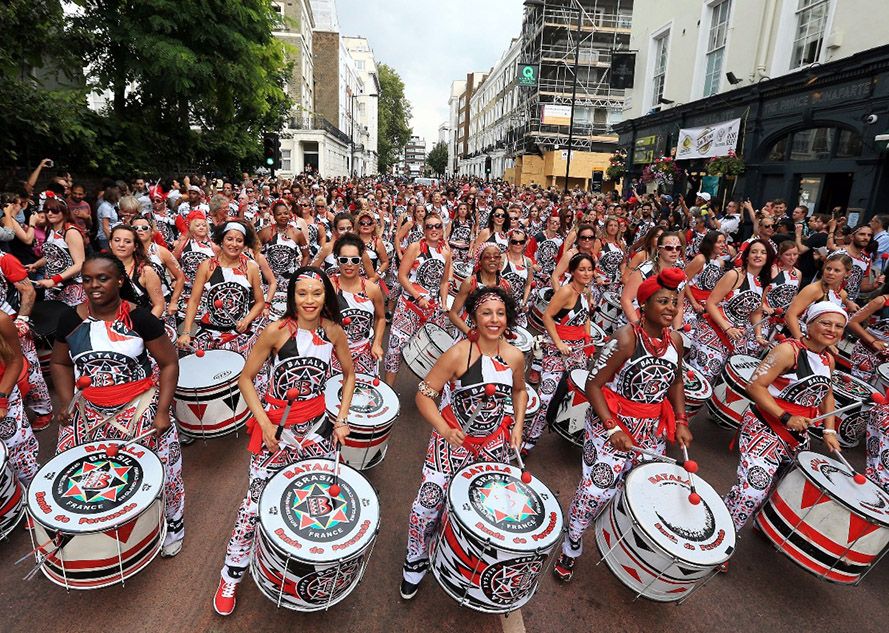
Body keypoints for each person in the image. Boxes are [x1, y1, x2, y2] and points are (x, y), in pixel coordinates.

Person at [213, 267, 354, 616]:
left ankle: (308, 566)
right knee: (252, 507)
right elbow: (246, 379)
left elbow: (350, 374)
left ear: (326, 297)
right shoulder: (275, 331)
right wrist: (264, 423)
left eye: (316, 294)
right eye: (302, 293)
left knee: (319, 500)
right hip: (276, 429)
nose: (309, 301)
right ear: (292, 296)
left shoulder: (333, 331)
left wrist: (342, 419)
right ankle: (231, 574)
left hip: (318, 428)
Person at [553, 268, 693, 581]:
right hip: (610, 426)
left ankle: (618, 540)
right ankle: (572, 543)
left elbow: (676, 381)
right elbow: (592, 384)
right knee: (596, 489)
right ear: (644, 305)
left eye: (674, 302)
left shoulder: (677, 342)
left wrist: (681, 420)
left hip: (650, 429)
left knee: (639, 489)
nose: (670, 307)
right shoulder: (625, 339)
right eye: (663, 301)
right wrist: (612, 428)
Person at [50, 252, 184, 556]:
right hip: (89, 408)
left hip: (138, 406)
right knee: (84, 472)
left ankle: (174, 523)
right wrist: (65, 401)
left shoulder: (139, 318)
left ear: (120, 281)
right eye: (87, 279)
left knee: (162, 468)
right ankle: (96, 532)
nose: (94, 285)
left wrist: (162, 411)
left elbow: (168, 364)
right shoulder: (70, 318)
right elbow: (59, 362)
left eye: (103, 278)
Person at [400, 286, 527, 599]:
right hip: (452, 440)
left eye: (500, 313)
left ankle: (460, 553)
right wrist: (444, 429)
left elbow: (520, 391)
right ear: (474, 317)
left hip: (493, 444)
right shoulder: (457, 354)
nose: (494, 319)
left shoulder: (514, 356)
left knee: (484, 507)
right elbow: (424, 395)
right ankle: (415, 558)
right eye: (486, 313)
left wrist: (518, 426)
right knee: (428, 503)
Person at [723, 302, 844, 533]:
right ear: (809, 324)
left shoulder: (828, 359)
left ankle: (761, 523)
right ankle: (724, 537)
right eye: (825, 323)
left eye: (838, 326)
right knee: (752, 490)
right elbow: (755, 386)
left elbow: (827, 394)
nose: (832, 330)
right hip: (765, 426)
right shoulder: (788, 350)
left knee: (786, 486)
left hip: (797, 433)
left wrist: (829, 430)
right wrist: (785, 416)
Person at [522, 253, 594, 454]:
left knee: (575, 394)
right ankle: (527, 441)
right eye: (582, 269)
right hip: (556, 350)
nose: (586, 273)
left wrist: (588, 340)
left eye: (589, 269)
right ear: (572, 271)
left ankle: (566, 428)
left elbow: (585, 317)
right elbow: (547, 317)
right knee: (546, 397)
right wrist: (559, 343)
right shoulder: (565, 292)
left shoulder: (586, 292)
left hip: (577, 351)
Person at [689, 239, 772, 384]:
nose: (758, 255)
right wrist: (727, 328)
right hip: (712, 333)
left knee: (720, 382)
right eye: (754, 252)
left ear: (768, 257)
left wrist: (758, 335)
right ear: (747, 256)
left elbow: (756, 311)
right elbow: (711, 304)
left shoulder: (763, 282)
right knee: (701, 380)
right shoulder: (734, 275)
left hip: (735, 337)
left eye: (763, 252)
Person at [177, 221, 265, 356]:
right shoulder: (206, 266)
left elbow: (260, 302)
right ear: (221, 240)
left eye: (239, 240)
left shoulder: (251, 267)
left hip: (239, 335)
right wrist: (187, 332)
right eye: (229, 239)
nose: (234, 244)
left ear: (244, 244)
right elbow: (194, 301)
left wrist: (246, 320)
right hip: (209, 333)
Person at [384, 212, 452, 386]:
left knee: (433, 351)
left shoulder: (446, 250)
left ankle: (428, 391)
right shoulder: (416, 247)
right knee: (395, 349)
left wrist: (444, 304)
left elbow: (444, 281)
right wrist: (417, 296)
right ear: (424, 229)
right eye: (430, 226)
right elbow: (402, 275)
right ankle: (388, 389)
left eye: (438, 226)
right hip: (408, 307)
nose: (434, 229)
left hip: (433, 309)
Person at [329, 234, 386, 375]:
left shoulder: (372, 289)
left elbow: (380, 318)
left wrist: (377, 343)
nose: (349, 264)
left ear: (360, 261)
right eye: (344, 259)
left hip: (364, 353)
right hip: (333, 353)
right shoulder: (327, 287)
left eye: (354, 260)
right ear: (337, 260)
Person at [0, 311, 40, 492]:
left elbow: (15, 360)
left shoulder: (1, 319)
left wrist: (2, 400)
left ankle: (36, 503)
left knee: (22, 464)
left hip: (4, 394)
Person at [784, 252, 855, 339]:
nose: (831, 273)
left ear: (847, 273)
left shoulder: (842, 294)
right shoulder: (813, 289)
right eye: (828, 269)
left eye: (837, 270)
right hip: (795, 337)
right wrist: (800, 341)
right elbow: (790, 315)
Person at [33, 197, 86, 306]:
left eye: (55, 210)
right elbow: (52, 255)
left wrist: (54, 280)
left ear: (64, 211)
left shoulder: (71, 232)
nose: (50, 214)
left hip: (71, 286)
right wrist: (36, 265)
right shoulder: (50, 230)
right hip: (52, 286)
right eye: (47, 211)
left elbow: (80, 264)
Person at [109, 225, 166, 319]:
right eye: (117, 240)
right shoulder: (101, 268)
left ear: (135, 246)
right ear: (110, 243)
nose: (121, 244)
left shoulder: (145, 271)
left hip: (138, 326)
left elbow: (159, 305)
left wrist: (146, 325)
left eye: (127, 241)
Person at [258, 201, 308, 297]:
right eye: (279, 214)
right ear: (274, 215)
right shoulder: (265, 232)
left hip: (290, 279)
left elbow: (306, 255)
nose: (283, 216)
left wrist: (299, 273)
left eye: (285, 213)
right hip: (269, 280)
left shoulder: (297, 233)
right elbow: (253, 253)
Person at [846, 280, 889, 383]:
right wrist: (873, 342)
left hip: (885, 362)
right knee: (856, 389)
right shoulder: (881, 301)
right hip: (866, 353)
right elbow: (852, 322)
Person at [501, 228, 533, 328]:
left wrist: (524, 303)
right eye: (515, 242)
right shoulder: (502, 258)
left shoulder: (528, 262)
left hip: (516, 310)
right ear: (509, 242)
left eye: (521, 242)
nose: (518, 244)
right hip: (499, 306)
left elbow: (528, 285)